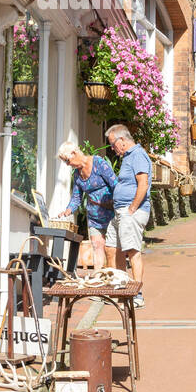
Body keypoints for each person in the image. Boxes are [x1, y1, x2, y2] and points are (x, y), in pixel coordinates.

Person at [104, 123, 151, 307]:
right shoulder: (128, 157)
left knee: (132, 251)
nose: (113, 149)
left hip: (130, 211)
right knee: (112, 248)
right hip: (121, 211)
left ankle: (137, 295)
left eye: (113, 144)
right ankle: (123, 290)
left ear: (122, 140)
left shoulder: (137, 155)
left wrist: (132, 209)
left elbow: (143, 184)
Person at [55, 141, 116, 272]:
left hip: (111, 214)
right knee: (97, 246)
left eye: (67, 160)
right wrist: (68, 210)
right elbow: (76, 197)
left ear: (74, 153)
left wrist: (117, 205)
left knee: (111, 249)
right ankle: (98, 278)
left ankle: (113, 280)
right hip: (94, 218)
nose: (67, 164)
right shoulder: (77, 174)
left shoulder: (98, 163)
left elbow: (115, 184)